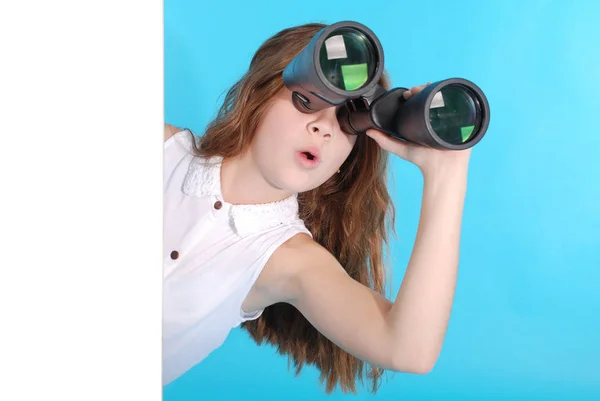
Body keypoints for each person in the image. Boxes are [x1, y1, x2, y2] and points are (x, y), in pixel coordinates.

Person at [162, 22, 471, 394]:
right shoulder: (162, 152)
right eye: (311, 99)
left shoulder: (287, 261)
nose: (325, 129)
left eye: (348, 121)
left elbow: (409, 350)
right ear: (258, 95)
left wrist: (447, 175)